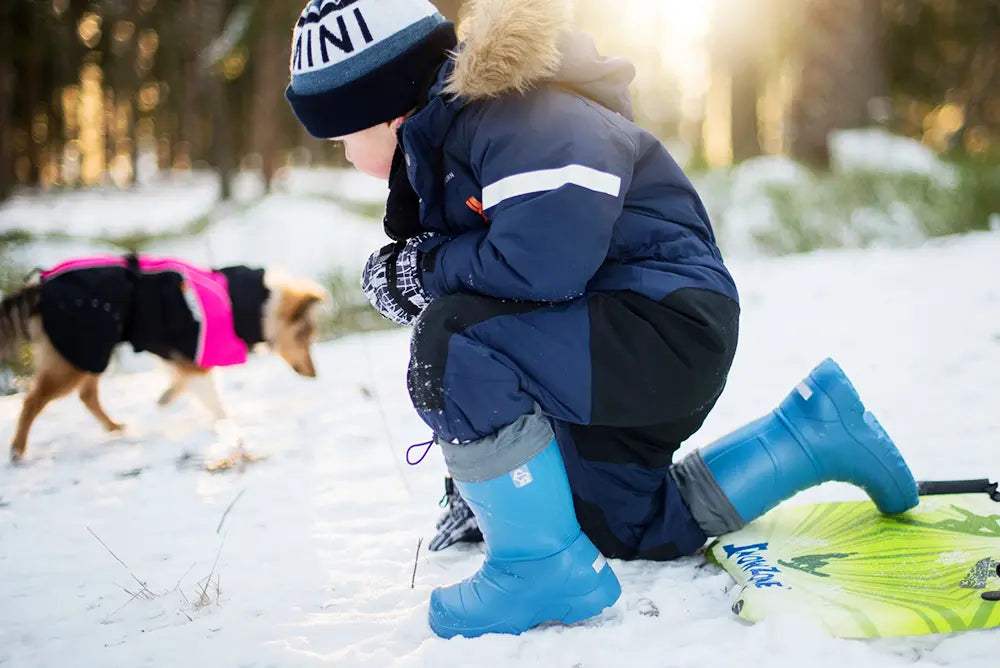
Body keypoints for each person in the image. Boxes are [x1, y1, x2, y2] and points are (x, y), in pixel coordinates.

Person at [284, 0, 919, 640]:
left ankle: (538, 568)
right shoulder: (454, 146)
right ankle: (811, 433)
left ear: (386, 111)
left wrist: (424, 272)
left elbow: (542, 262)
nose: (343, 155)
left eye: (342, 141)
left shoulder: (526, 115)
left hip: (662, 324)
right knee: (626, 525)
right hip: (609, 340)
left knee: (448, 345)